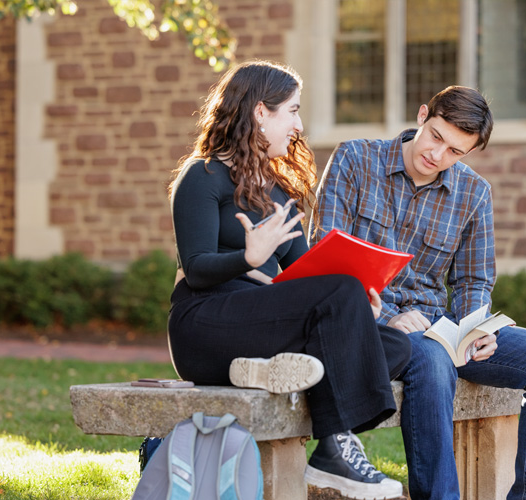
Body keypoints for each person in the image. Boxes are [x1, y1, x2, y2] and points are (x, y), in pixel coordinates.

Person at [310, 85, 526, 500]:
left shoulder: (474, 193)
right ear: (422, 116)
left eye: (455, 151)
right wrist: (384, 319)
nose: (438, 155)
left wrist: (476, 329)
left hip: (440, 327)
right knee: (432, 360)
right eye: (436, 137)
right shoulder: (355, 159)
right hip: (367, 326)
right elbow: (323, 258)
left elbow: (473, 280)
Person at [167, 60, 411, 500]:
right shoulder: (202, 176)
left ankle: (266, 373)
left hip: (262, 326)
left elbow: (309, 274)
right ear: (261, 112)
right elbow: (198, 267)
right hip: (205, 323)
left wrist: (358, 304)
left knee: (395, 344)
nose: (298, 125)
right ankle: (334, 449)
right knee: (343, 303)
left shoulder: (277, 191)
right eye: (292, 111)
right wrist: (248, 257)